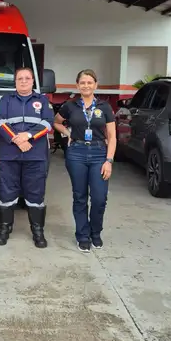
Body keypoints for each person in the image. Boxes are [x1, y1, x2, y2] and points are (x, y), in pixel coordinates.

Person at [54, 69, 117, 253]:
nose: (86, 85)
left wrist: (109, 160)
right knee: (80, 196)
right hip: (76, 153)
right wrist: (68, 133)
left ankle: (95, 232)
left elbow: (112, 136)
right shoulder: (70, 105)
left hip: (99, 153)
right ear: (77, 85)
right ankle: (82, 235)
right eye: (82, 82)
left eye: (90, 82)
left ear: (95, 85)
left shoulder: (104, 107)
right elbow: (56, 122)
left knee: (99, 198)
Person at [0, 67, 54, 248]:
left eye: (27, 78)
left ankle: (38, 232)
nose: (24, 81)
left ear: (33, 81)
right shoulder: (6, 100)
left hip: (35, 155)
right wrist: (16, 139)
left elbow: (48, 123)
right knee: (6, 193)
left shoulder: (42, 100)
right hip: (9, 155)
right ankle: (4, 230)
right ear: (15, 82)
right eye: (20, 78)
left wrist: (28, 136)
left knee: (36, 194)